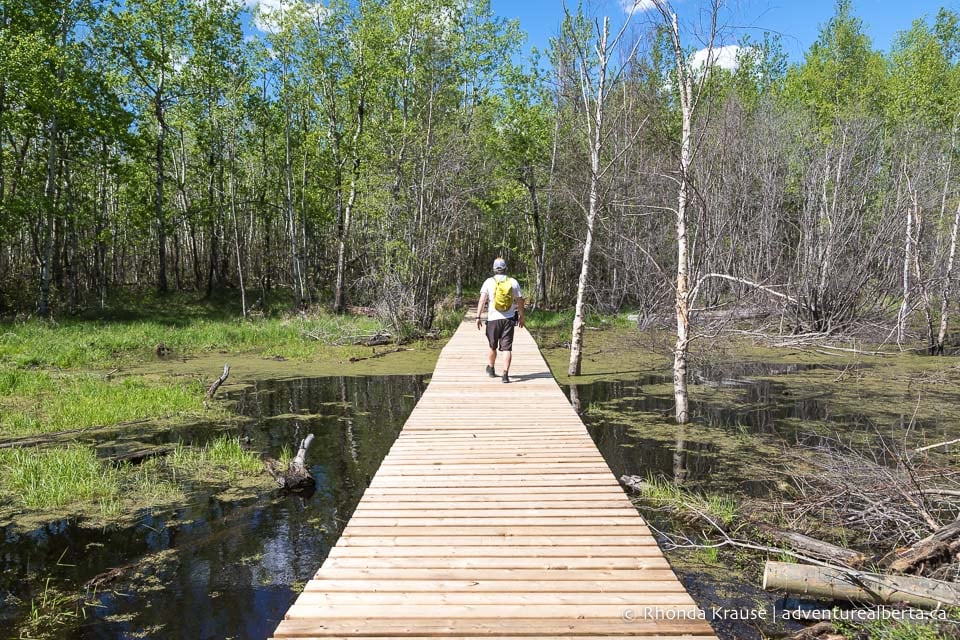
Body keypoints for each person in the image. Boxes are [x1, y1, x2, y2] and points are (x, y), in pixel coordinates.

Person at [476, 257, 524, 383]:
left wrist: (478, 316)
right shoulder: (513, 282)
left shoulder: (488, 282)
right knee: (507, 348)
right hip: (508, 319)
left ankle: (491, 369)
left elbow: (482, 300)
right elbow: (519, 301)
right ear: (505, 268)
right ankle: (505, 375)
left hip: (493, 319)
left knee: (492, 346)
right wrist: (521, 316)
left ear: (494, 269)